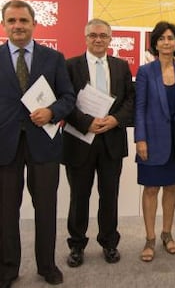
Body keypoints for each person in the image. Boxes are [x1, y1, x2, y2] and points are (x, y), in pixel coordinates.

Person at [0, 0, 75, 287]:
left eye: (23, 20)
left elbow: (68, 97)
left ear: (34, 23)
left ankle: (47, 266)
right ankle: (7, 269)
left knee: (46, 207)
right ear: (5, 24)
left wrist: (52, 112)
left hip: (44, 144)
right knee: (6, 211)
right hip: (5, 145)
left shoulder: (53, 58)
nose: (18, 25)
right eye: (12, 20)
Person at [62, 19, 135, 268]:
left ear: (110, 39)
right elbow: (64, 100)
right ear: (85, 38)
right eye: (93, 35)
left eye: (103, 35)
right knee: (78, 197)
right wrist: (85, 123)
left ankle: (109, 243)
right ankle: (77, 245)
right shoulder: (70, 66)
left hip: (111, 141)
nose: (98, 39)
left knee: (109, 196)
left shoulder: (121, 66)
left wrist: (115, 119)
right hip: (79, 141)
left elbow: (130, 100)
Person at [135, 21, 175, 262]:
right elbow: (140, 108)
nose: (167, 42)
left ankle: (167, 234)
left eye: (171, 38)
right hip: (152, 140)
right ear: (155, 43)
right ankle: (149, 238)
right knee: (151, 189)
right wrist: (140, 139)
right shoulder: (146, 71)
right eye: (162, 38)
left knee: (171, 188)